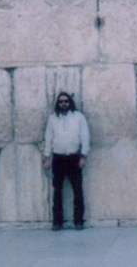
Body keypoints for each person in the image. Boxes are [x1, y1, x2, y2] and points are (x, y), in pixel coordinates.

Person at [43, 92, 90, 231]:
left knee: (77, 190)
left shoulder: (78, 117)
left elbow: (85, 136)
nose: (63, 104)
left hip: (73, 157)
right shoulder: (53, 119)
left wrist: (84, 156)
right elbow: (49, 138)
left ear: (70, 103)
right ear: (58, 104)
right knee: (57, 191)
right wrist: (47, 158)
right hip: (58, 158)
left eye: (66, 101)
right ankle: (57, 222)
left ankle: (79, 221)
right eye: (61, 102)